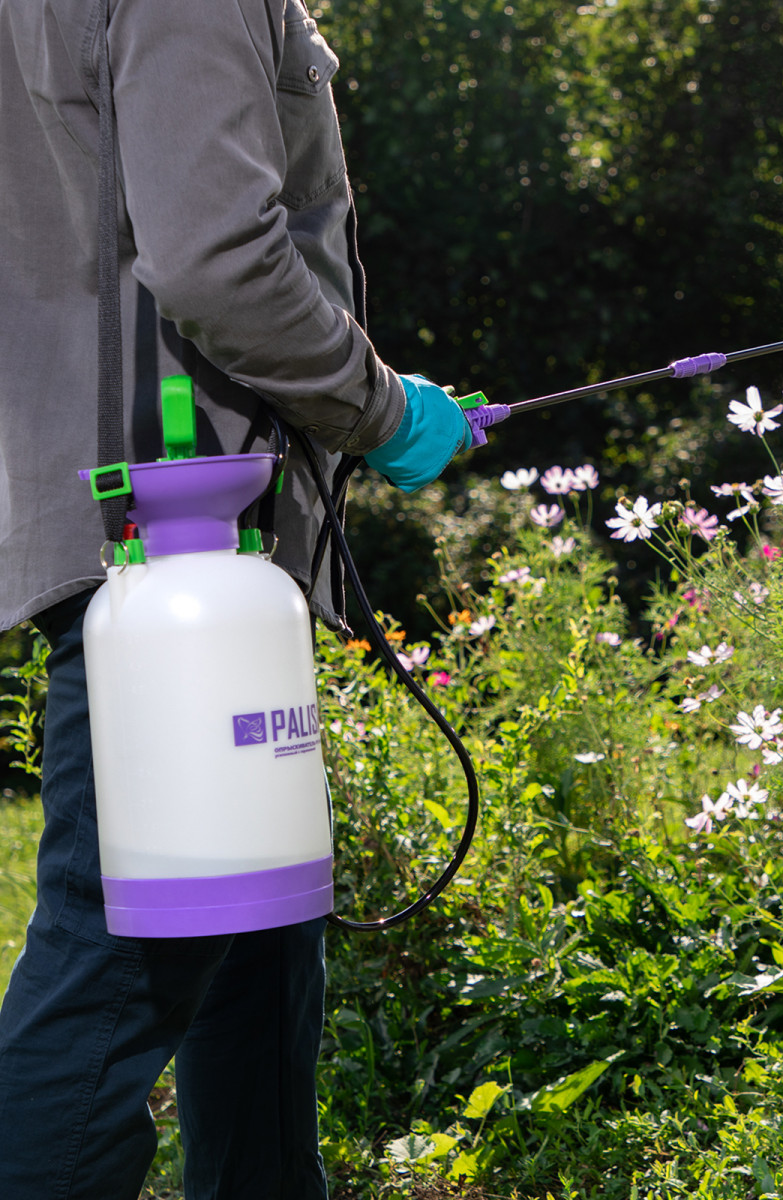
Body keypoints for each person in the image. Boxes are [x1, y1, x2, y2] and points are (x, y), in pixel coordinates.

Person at [0, 1, 469, 1195]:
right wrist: (380, 407)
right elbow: (218, 261)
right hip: (168, 538)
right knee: (116, 964)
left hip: (163, 533)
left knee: (257, 933)